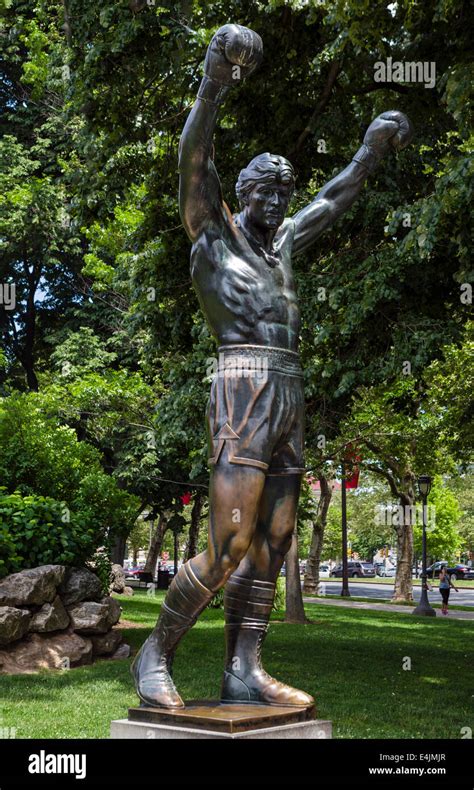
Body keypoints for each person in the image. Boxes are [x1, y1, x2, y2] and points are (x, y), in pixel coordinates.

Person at [131, 23, 413, 709]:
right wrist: (214, 78)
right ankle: (153, 655)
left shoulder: (282, 241)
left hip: (288, 387)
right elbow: (193, 157)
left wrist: (370, 152)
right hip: (241, 384)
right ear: (243, 192)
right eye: (265, 194)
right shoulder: (212, 234)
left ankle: (242, 670)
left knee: (277, 540)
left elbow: (336, 196)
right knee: (229, 540)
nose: (278, 205)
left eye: (284, 196)